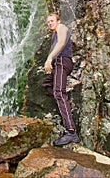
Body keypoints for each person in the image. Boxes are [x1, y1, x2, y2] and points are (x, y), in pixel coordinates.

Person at [42, 13, 80, 146]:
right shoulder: (54, 34)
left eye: (52, 21)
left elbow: (62, 42)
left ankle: (71, 131)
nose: (50, 24)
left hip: (62, 61)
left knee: (59, 92)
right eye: (48, 22)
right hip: (58, 63)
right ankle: (63, 104)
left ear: (58, 21)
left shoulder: (62, 28)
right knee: (47, 84)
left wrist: (49, 58)